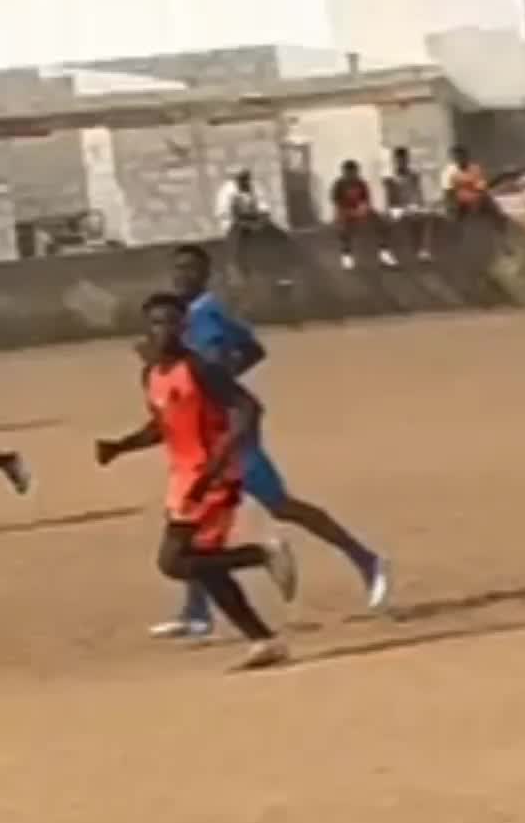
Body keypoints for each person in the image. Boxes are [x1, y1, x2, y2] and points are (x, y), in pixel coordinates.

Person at [150, 243, 391, 641]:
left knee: (278, 505)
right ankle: (197, 612)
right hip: (206, 431)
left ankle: (367, 560)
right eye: (177, 269)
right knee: (196, 518)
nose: (182, 276)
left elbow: (252, 349)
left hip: (231, 431)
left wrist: (222, 379)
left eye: (190, 269)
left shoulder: (210, 312)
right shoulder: (179, 319)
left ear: (205, 275)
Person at [95, 292, 294, 672]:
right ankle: (264, 640)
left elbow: (247, 408)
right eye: (157, 323)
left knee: (174, 561)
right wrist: (121, 446)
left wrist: (219, 461)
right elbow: (163, 425)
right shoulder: (152, 375)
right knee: (204, 566)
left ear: (184, 327)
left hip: (213, 478)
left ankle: (262, 554)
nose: (164, 330)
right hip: (184, 478)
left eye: (172, 322)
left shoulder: (200, 369)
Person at [331, 159, 397, 271]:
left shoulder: (361, 183)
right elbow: (337, 203)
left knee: (380, 222)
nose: (351, 176)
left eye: (354, 173)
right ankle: (346, 255)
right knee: (343, 226)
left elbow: (366, 200)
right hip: (345, 211)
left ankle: (384, 254)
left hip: (359, 210)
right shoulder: (338, 185)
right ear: (344, 172)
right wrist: (350, 212)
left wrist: (362, 209)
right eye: (349, 173)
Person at [384, 146, 432, 261]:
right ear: (395, 161)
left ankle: (422, 250)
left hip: (411, 206)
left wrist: (418, 206)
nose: (401, 162)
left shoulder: (414, 176)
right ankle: (389, 253)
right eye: (399, 160)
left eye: (404, 159)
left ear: (407, 160)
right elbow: (390, 199)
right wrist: (393, 209)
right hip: (397, 208)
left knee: (424, 216)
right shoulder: (390, 178)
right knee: (388, 220)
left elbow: (418, 194)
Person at [440, 144, 501, 226]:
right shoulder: (449, 172)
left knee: (489, 201)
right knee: (454, 207)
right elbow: (448, 190)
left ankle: (498, 223)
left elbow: (481, 185)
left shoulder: (475, 168)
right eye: (456, 157)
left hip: (474, 194)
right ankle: (455, 223)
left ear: (466, 157)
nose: (459, 159)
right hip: (457, 197)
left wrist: (479, 191)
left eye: (461, 157)